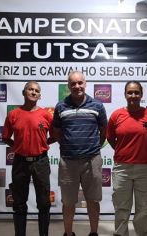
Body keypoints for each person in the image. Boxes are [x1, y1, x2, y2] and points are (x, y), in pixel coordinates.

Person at [53, 71, 108, 236]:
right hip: (68, 162)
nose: (77, 86)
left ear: (85, 83)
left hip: (92, 160)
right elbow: (56, 133)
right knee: (68, 202)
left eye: (80, 83)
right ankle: (68, 233)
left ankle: (93, 233)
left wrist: (92, 148)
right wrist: (70, 146)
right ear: (68, 86)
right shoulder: (60, 106)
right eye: (73, 83)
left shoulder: (97, 106)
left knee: (93, 200)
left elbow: (103, 132)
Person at [106, 81, 147, 236]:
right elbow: (110, 138)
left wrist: (144, 150)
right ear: (125, 95)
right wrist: (123, 151)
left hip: (145, 168)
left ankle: (142, 234)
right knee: (121, 207)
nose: (133, 96)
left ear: (141, 94)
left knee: (144, 208)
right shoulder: (116, 115)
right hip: (122, 168)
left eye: (136, 92)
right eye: (130, 92)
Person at [2, 81, 53, 236]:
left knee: (44, 203)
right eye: (30, 89)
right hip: (20, 162)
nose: (33, 92)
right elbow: (5, 137)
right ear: (24, 92)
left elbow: (56, 136)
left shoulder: (46, 114)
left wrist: (42, 144)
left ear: (40, 95)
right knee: (19, 203)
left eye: (36, 90)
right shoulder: (13, 114)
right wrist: (18, 146)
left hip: (41, 162)